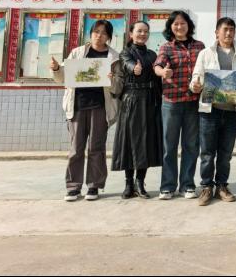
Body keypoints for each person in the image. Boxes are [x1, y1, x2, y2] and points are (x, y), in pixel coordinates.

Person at [50, 20, 119, 202]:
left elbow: (119, 86)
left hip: (100, 107)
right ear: (90, 33)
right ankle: (73, 187)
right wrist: (56, 69)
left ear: (109, 37)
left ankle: (94, 186)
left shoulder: (114, 57)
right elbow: (63, 77)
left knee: (96, 148)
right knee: (76, 148)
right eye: (96, 32)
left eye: (104, 33)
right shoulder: (78, 52)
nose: (99, 36)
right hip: (78, 106)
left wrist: (112, 80)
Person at [190, 17, 236, 206]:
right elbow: (196, 77)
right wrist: (195, 85)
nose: (229, 33)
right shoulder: (206, 53)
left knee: (226, 153)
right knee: (207, 153)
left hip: (231, 111)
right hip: (209, 111)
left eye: (232, 29)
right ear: (217, 32)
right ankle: (206, 187)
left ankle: (222, 186)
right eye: (225, 29)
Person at [153, 11, 205, 200]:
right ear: (171, 27)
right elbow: (158, 65)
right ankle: (167, 186)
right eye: (175, 24)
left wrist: (202, 84)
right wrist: (162, 73)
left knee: (191, 145)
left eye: (183, 23)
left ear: (189, 26)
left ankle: (187, 185)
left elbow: (205, 69)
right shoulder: (166, 47)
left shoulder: (199, 46)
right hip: (171, 103)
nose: (179, 27)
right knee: (169, 146)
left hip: (193, 102)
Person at [111, 21, 163, 199]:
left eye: (145, 31)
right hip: (131, 100)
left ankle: (140, 183)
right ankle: (128, 184)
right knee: (129, 141)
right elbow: (127, 63)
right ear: (131, 34)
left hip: (149, 100)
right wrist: (134, 68)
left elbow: (157, 78)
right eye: (139, 31)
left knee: (145, 142)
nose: (142, 34)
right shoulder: (126, 52)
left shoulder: (152, 54)